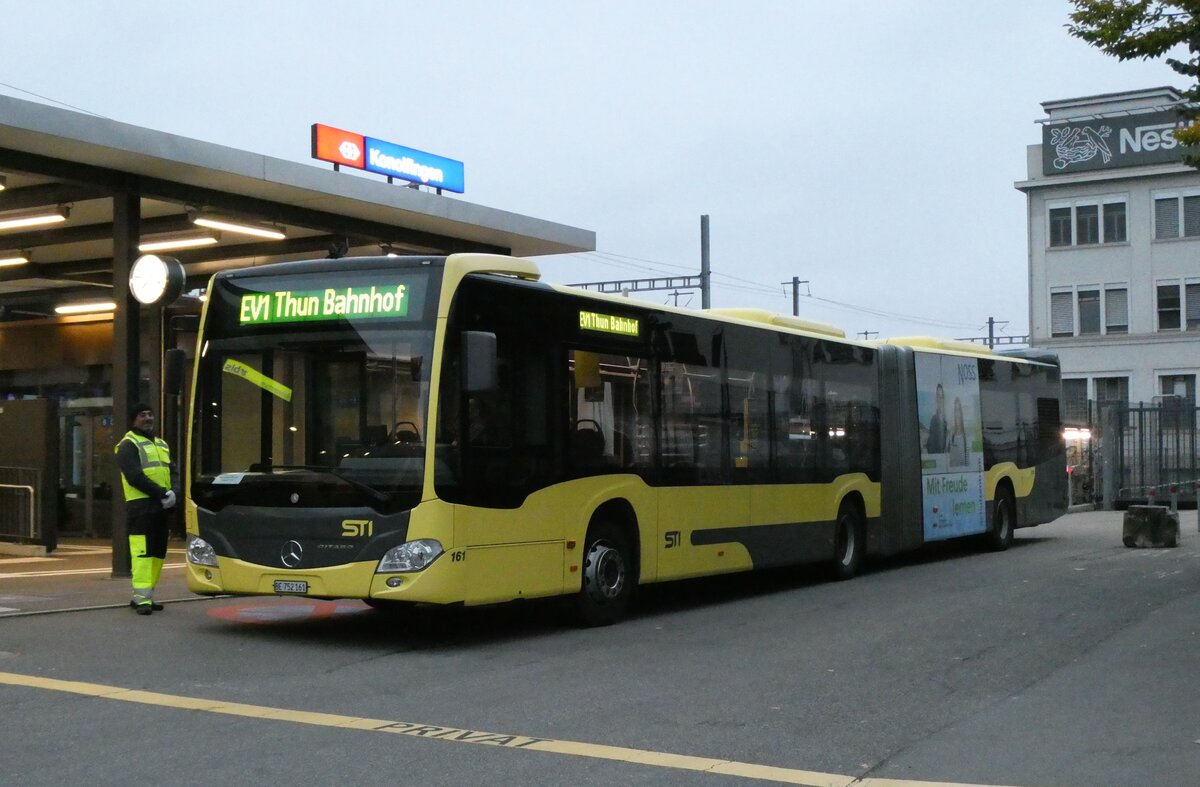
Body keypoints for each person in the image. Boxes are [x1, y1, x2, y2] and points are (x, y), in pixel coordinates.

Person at [114, 401, 177, 616]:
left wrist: (173, 493)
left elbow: (173, 471)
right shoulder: (127, 445)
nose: (148, 418)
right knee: (142, 553)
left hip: (162, 506)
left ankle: (147, 596)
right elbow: (134, 477)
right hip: (141, 507)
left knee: (158, 553)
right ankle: (141, 599)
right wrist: (163, 494)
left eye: (150, 414)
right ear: (134, 419)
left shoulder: (161, 444)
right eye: (142, 415)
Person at [947, 397, 969, 468]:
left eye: (959, 410)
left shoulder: (967, 438)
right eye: (955, 410)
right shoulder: (950, 437)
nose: (957, 414)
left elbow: (968, 464)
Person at [926, 383, 948, 454]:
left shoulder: (948, 419)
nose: (940, 399)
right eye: (938, 396)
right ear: (936, 398)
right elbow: (931, 446)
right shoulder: (933, 420)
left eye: (942, 396)